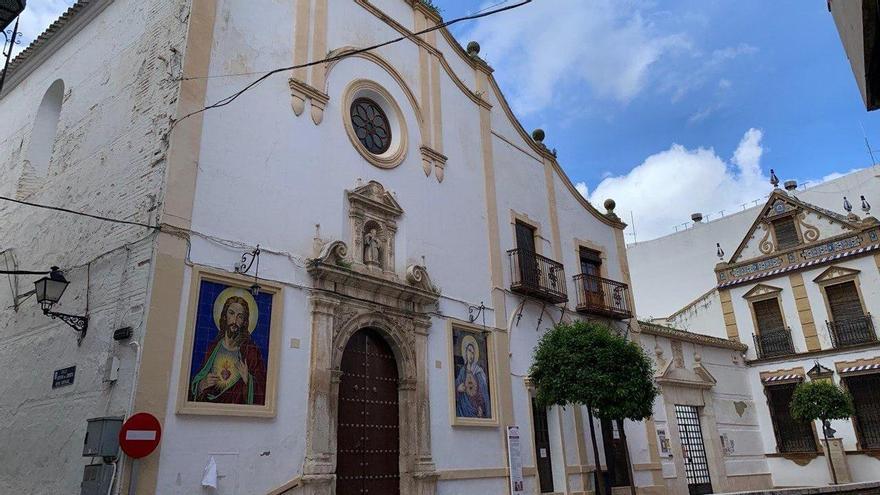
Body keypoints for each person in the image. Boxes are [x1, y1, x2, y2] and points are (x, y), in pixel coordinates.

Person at [190, 294, 267, 405]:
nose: (235, 320)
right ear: (225, 316)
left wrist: (248, 380)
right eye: (231, 313)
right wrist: (202, 384)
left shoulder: (251, 352)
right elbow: (197, 383)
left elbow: (262, 390)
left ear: (245, 322)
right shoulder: (213, 349)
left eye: (240, 316)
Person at [455, 335, 491, 418]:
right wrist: (458, 389)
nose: (471, 354)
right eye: (469, 351)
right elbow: (455, 388)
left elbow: (483, 393)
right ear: (465, 352)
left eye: (473, 352)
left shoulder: (479, 372)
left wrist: (481, 407)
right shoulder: (462, 372)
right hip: (463, 410)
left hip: (477, 410)